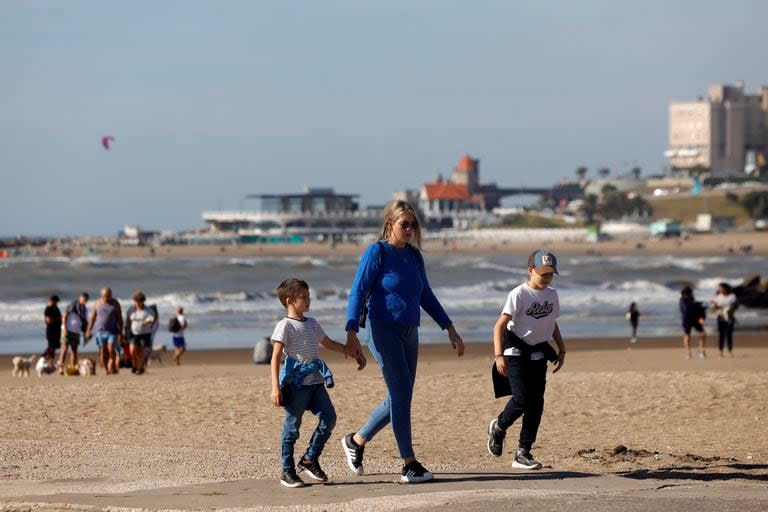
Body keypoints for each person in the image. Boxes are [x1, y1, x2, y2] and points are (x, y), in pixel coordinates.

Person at [341, 200, 465, 484]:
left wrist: (450, 328)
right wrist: (351, 331)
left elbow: (426, 296)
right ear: (389, 225)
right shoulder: (378, 252)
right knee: (400, 393)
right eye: (404, 224)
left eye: (413, 224)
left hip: (410, 330)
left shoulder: (414, 256)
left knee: (401, 395)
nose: (409, 229)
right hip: (381, 329)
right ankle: (408, 462)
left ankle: (356, 441)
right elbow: (358, 291)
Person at [270, 278, 366, 488]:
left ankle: (310, 459)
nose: (308, 300)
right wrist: (275, 388)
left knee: (329, 419)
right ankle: (287, 471)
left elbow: (329, 343)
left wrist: (352, 351)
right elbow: (276, 356)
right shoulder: (284, 326)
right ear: (289, 301)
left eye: (308, 296)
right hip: (296, 386)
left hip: (316, 383)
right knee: (292, 428)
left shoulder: (312, 323)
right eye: (303, 297)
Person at [486, 250, 566, 470]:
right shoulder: (519, 294)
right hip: (515, 352)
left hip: (538, 353)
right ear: (530, 271)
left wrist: (561, 348)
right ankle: (499, 427)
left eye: (550, 274)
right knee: (521, 398)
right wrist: (499, 355)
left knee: (536, 404)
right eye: (543, 273)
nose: (547, 277)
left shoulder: (552, 294)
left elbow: (552, 323)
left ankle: (523, 452)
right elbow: (499, 326)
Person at [86, 288, 124, 374]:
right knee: (103, 351)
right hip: (100, 331)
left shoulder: (115, 303)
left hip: (112, 331)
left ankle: (113, 363)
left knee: (111, 348)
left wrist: (121, 332)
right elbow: (93, 317)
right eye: (104, 296)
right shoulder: (97, 303)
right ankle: (107, 369)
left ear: (111, 295)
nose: (106, 298)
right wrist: (89, 329)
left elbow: (120, 318)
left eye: (108, 296)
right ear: (101, 295)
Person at [127, 291, 155, 375]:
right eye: (137, 301)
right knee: (132, 351)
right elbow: (128, 321)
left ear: (143, 301)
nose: (138, 303)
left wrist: (148, 321)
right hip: (133, 333)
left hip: (145, 333)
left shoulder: (148, 310)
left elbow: (151, 318)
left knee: (141, 351)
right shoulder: (131, 310)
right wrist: (126, 330)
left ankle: (140, 368)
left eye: (140, 301)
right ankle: (135, 365)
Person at [60, 292, 89, 372]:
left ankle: (72, 368)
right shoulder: (73, 305)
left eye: (85, 300)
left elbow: (84, 322)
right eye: (83, 299)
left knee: (74, 350)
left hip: (76, 331)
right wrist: (65, 328)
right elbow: (64, 316)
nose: (84, 301)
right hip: (67, 330)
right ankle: (61, 367)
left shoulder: (84, 309)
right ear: (80, 297)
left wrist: (86, 332)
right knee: (64, 349)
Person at [711, 283, 738, 358]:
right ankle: (720, 352)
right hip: (721, 317)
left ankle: (730, 351)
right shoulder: (718, 297)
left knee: (729, 334)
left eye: (721, 288)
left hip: (730, 317)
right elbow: (713, 310)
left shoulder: (732, 296)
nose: (720, 290)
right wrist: (715, 305)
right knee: (721, 335)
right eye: (719, 289)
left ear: (726, 288)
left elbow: (736, 306)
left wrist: (730, 310)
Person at [679, 286, 707, 360]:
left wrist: (702, 316)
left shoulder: (692, 300)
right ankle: (688, 353)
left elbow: (700, 310)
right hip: (687, 320)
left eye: (689, 293)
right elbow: (686, 310)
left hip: (695, 319)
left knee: (703, 334)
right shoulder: (682, 301)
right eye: (686, 294)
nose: (688, 295)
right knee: (687, 336)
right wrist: (697, 305)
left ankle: (701, 350)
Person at [43, 295, 62, 360]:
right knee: (51, 347)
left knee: (53, 347)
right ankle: (44, 359)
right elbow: (49, 321)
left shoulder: (56, 308)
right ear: (52, 301)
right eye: (55, 302)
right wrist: (58, 318)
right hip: (51, 331)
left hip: (57, 330)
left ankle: (49, 360)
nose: (56, 303)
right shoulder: (48, 309)